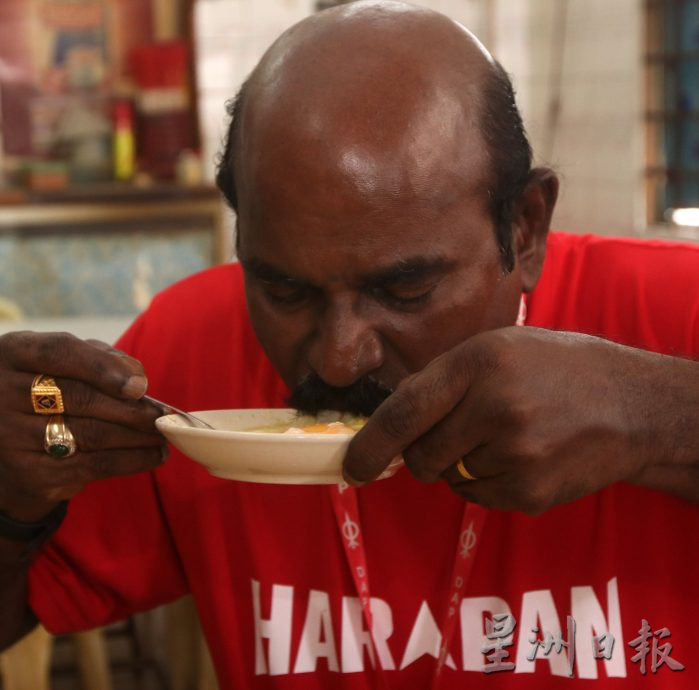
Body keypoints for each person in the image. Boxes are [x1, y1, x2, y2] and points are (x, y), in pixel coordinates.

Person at [1, 1, 698, 687]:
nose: (338, 357)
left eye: (403, 292)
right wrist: (10, 502)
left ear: (523, 226)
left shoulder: (671, 313)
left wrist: (657, 415)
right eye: (285, 291)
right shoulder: (187, 347)